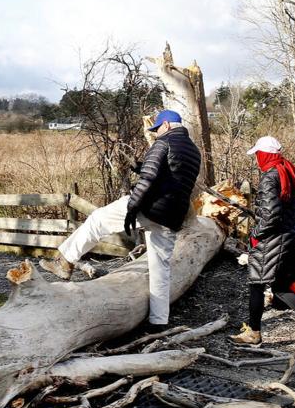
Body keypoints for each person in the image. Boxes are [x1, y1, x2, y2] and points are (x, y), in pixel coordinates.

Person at [40, 109, 201, 327]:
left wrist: (133, 207)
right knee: (160, 268)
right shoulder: (192, 150)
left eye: (157, 129)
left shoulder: (164, 143)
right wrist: (140, 167)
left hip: (150, 206)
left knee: (97, 219)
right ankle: (159, 320)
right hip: (172, 215)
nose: (156, 133)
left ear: (166, 125)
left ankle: (65, 261)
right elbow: (171, 176)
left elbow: (149, 179)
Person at [230, 136, 295, 352]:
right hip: (291, 238)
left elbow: (271, 216)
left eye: (258, 154)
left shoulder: (269, 177)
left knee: (256, 284)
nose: (256, 158)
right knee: (281, 287)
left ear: (264, 155)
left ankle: (254, 333)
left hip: (273, 240)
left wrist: (255, 234)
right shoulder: (285, 172)